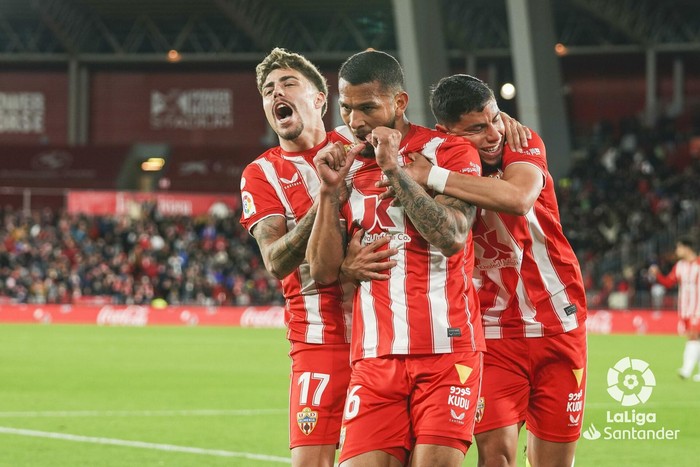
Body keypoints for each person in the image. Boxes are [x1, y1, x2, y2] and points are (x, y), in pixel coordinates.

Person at [398, 74, 588, 467]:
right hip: (493, 330)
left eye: (495, 118)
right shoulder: (435, 159)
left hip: (558, 320)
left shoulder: (521, 142)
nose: (493, 134)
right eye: (476, 129)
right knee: (497, 457)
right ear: (445, 133)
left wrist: (433, 176)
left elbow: (518, 198)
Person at [307, 50, 485, 467]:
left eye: (368, 108)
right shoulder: (344, 162)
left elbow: (452, 237)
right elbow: (322, 271)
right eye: (347, 108)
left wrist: (395, 170)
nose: (355, 121)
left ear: (399, 102)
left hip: (446, 351)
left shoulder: (448, 151)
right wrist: (329, 192)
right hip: (373, 356)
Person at [239, 48, 395, 467]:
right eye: (268, 90)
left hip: (386, 334)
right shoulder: (262, 173)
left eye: (288, 83)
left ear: (321, 99)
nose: (276, 93)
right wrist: (327, 197)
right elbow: (275, 260)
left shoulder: (358, 142)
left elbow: (424, 138)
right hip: (318, 338)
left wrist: (501, 126)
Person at [649, 235, 700, 381]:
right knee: (695, 337)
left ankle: (686, 369)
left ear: (687, 248)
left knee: (693, 335)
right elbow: (669, 282)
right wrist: (658, 275)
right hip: (685, 309)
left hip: (698, 309)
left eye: (679, 247)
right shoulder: (680, 266)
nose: (677, 250)